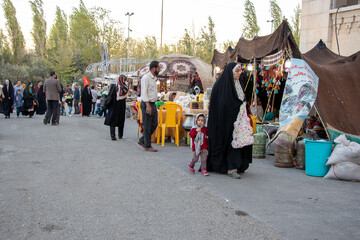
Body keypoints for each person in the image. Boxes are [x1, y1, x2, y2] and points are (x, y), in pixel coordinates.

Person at [207, 62, 253, 179]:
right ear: (230, 72)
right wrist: (235, 106)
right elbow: (221, 104)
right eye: (237, 71)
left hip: (239, 120)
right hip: (225, 122)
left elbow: (241, 99)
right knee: (230, 142)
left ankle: (238, 165)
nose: (239, 73)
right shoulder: (220, 85)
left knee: (238, 142)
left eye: (239, 71)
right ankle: (230, 168)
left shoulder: (238, 84)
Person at [138, 61, 160, 152]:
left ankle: (142, 140)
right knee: (147, 125)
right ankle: (148, 145)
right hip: (147, 103)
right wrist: (147, 105)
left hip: (153, 103)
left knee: (154, 124)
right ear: (153, 68)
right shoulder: (145, 78)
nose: (159, 70)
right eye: (158, 68)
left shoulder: (154, 78)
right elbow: (144, 92)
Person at [104, 75, 129, 140]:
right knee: (121, 120)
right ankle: (120, 135)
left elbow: (110, 95)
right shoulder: (125, 87)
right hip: (121, 106)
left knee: (113, 120)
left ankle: (113, 135)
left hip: (114, 106)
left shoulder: (114, 86)